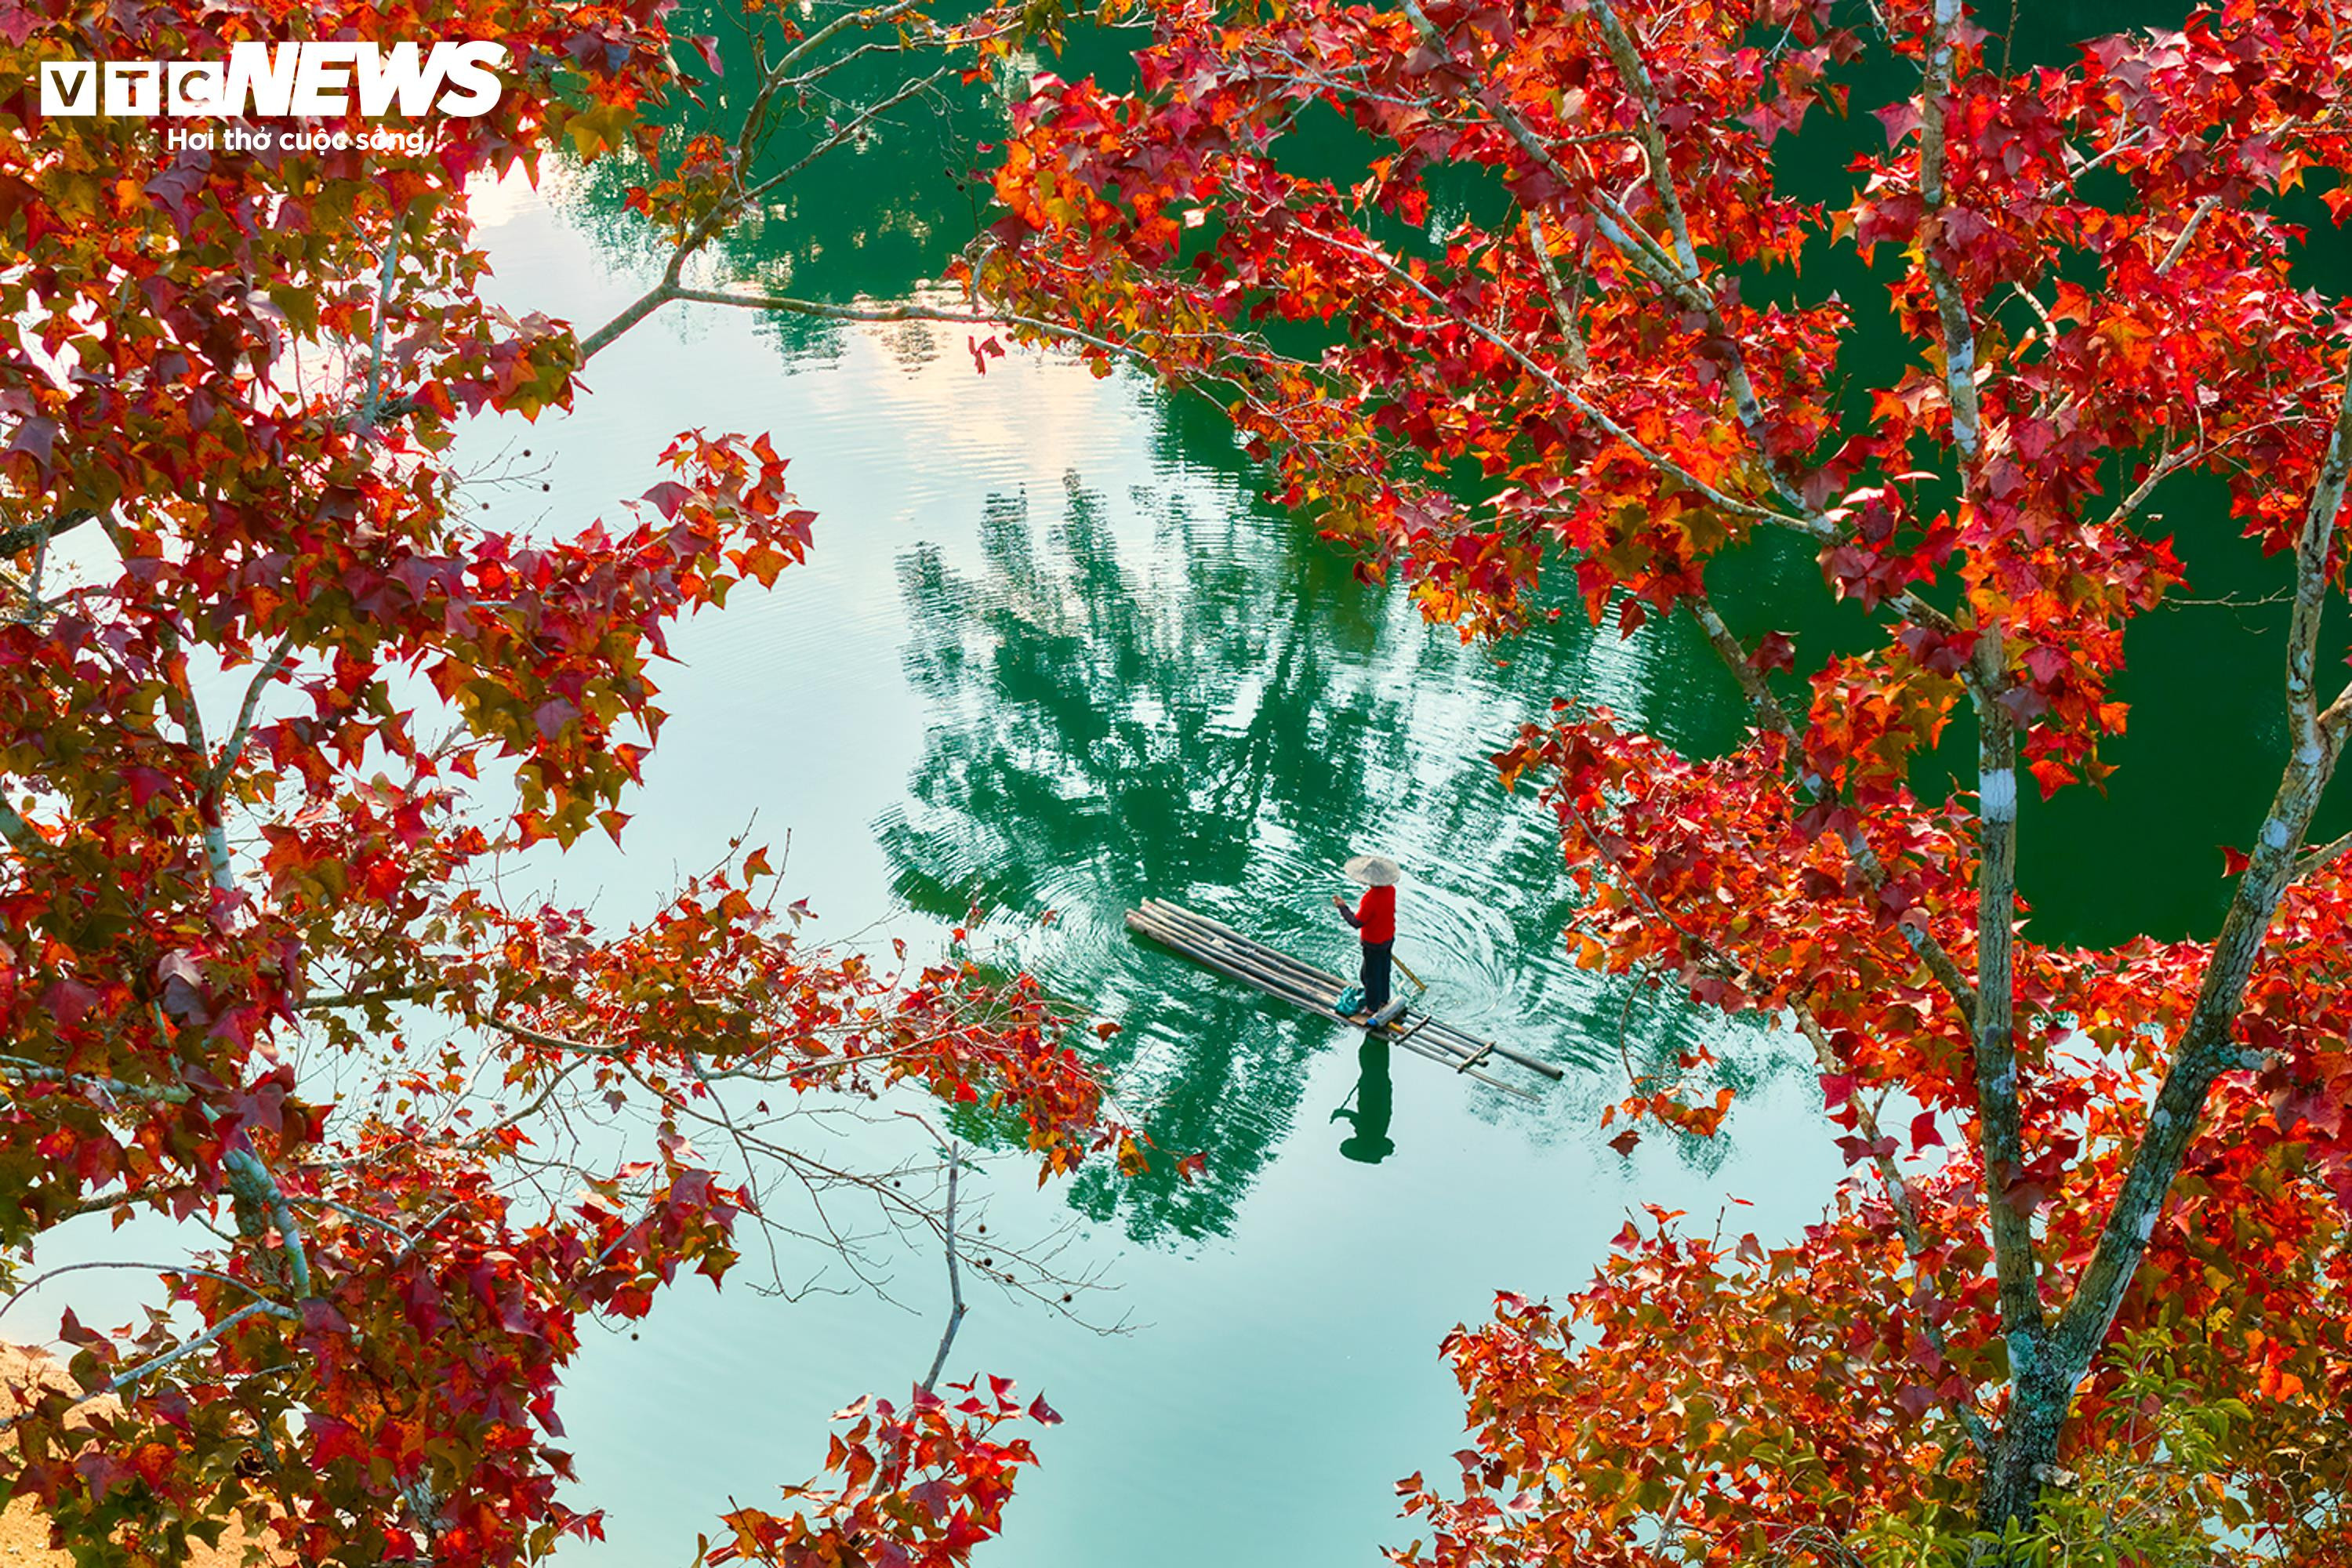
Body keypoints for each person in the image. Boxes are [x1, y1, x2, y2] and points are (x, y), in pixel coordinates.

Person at [1332, 852, 1400, 1018]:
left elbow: (1357, 922)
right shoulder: (1391, 890)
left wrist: (1343, 907)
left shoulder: (1370, 898)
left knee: (1369, 975)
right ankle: (1384, 999)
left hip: (1374, 942)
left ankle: (1372, 1007)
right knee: (1384, 969)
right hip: (1388, 937)